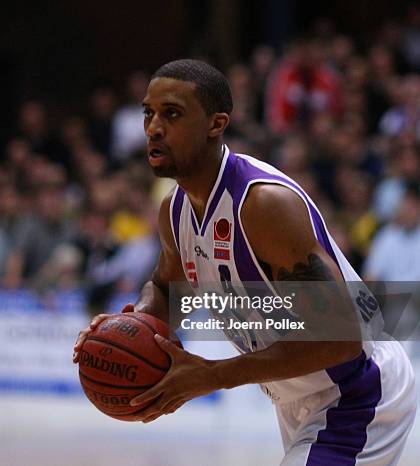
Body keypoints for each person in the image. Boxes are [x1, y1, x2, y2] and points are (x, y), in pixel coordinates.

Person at [73, 59, 416, 465]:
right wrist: (130, 325)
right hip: (298, 396)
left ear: (216, 124)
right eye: (149, 112)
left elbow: (340, 340)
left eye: (172, 114)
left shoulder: (263, 205)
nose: (153, 128)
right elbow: (168, 289)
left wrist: (214, 375)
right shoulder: (175, 211)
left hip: (357, 389)